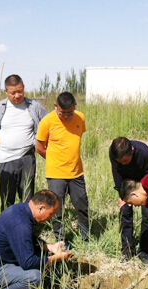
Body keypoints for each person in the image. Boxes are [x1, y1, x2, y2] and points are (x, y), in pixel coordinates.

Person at [0, 75, 48, 212]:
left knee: (27, 196)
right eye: (13, 92)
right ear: (6, 91)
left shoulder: (34, 106)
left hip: (27, 157)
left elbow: (48, 121)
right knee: (7, 197)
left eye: (20, 91)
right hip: (5, 159)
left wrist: (40, 140)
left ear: (23, 88)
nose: (17, 95)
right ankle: (8, 227)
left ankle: (27, 227)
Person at [36, 92, 89, 244]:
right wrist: (54, 159)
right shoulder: (47, 122)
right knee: (56, 209)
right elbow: (39, 147)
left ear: (75, 108)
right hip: (56, 173)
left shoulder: (80, 117)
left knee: (82, 204)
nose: (66, 116)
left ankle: (86, 238)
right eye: (62, 113)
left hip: (76, 172)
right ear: (55, 106)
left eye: (69, 113)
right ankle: (61, 240)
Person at [109, 137, 148, 264]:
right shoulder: (114, 152)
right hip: (126, 183)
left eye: (125, 160)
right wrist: (121, 194)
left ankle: (144, 251)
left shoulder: (143, 152)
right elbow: (116, 173)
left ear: (132, 151)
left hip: (145, 181)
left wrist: (145, 194)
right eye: (120, 161)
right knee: (125, 211)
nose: (123, 163)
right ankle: (127, 250)